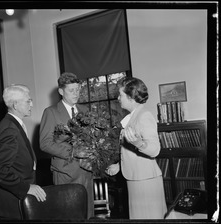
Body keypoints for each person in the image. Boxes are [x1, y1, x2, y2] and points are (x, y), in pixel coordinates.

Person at [106, 76, 167, 219]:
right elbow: (131, 150)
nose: (118, 98)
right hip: (136, 177)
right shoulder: (134, 116)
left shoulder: (144, 116)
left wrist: (139, 143)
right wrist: (119, 166)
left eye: (120, 95)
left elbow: (154, 150)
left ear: (130, 97)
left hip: (145, 181)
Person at [39, 72, 94, 219]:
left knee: (87, 214)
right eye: (71, 90)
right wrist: (74, 151)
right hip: (65, 173)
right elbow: (45, 144)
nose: (76, 94)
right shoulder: (50, 112)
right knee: (68, 215)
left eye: (78, 89)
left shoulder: (85, 110)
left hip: (87, 172)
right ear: (61, 91)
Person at [0, 84, 46, 220]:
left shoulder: (14, 124)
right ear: (15, 105)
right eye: (28, 101)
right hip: (14, 201)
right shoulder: (9, 128)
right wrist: (26, 188)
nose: (32, 104)